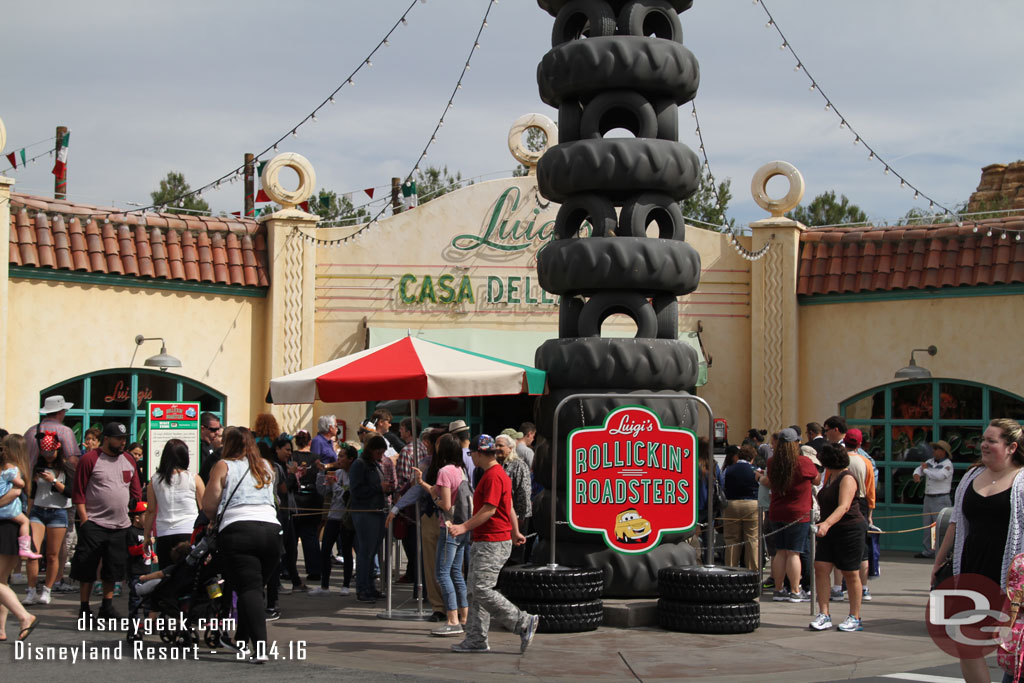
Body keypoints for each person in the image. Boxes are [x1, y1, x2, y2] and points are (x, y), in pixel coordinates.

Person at [931, 418, 1024, 683]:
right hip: (971, 571)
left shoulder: (1022, 481)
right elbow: (957, 523)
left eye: (991, 441)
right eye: (983, 439)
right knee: (967, 645)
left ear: (1011, 447)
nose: (983, 444)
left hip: (1010, 579)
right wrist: (939, 562)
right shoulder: (971, 476)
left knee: (1012, 643)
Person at [447, 434, 537, 654]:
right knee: (474, 591)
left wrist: (463, 527)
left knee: (481, 589)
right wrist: (515, 531)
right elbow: (509, 507)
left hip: (492, 540)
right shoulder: (494, 474)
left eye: (472, 454)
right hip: (490, 539)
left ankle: (522, 621)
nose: (471, 458)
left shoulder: (494, 476)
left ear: (479, 453)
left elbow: (490, 509)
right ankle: (477, 639)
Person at [201, 427, 281, 662]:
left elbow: (208, 504)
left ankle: (260, 649)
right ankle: (243, 639)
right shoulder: (267, 466)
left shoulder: (223, 466)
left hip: (239, 530)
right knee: (255, 589)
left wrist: (214, 518)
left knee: (249, 589)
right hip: (271, 530)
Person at [70, 421, 141, 620]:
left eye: (124, 438)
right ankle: (84, 608)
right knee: (87, 568)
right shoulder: (90, 459)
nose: (122, 442)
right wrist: (84, 520)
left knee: (113, 569)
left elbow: (135, 489)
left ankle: (106, 607)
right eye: (119, 439)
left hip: (121, 525)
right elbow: (79, 492)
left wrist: (134, 512)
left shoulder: (128, 459)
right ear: (107, 439)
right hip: (94, 522)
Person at [412, 433, 472, 637]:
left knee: (442, 573)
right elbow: (442, 493)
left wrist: (436, 503)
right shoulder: (460, 470)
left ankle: (452, 619)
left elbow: (445, 504)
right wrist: (423, 483)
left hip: (448, 527)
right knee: (456, 572)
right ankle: (464, 616)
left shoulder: (444, 471)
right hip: (462, 527)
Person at [809, 443, 866, 632]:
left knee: (850, 572)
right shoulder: (830, 476)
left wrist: (826, 524)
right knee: (821, 567)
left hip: (849, 529)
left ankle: (855, 617)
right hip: (829, 528)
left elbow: (844, 507)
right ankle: (824, 614)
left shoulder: (847, 477)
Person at [758, 427, 820, 602]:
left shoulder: (772, 462)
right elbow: (817, 479)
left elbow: (769, 481)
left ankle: (779, 589)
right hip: (798, 512)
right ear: (795, 444)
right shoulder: (803, 462)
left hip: (777, 510)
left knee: (780, 552)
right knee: (794, 552)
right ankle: (794, 590)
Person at [25, 432, 74, 604]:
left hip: (58, 511)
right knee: (33, 553)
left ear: (57, 450)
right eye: (44, 453)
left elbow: (70, 493)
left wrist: (53, 481)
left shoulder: (66, 467)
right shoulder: (37, 467)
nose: (47, 456)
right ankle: (31, 590)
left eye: (50, 452)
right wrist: (27, 513)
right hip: (38, 510)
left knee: (52, 554)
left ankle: (47, 589)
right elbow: (30, 493)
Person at [144, 438, 204, 566]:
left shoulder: (155, 479)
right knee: (188, 572)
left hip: (164, 532)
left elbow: (150, 511)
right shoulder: (193, 478)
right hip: (189, 531)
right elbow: (205, 507)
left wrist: (146, 537)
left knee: (166, 573)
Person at [0, 454, 40, 643]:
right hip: (8, 527)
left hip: (7, 528)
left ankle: (24, 616)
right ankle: (1, 628)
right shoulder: (10, 470)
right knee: (2, 582)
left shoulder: (9, 470)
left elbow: (16, 492)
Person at [349, 435, 392, 603]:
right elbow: (356, 491)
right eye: (379, 452)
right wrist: (377, 488)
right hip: (364, 513)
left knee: (372, 552)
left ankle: (370, 586)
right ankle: (362, 588)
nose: (381, 456)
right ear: (372, 450)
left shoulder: (374, 465)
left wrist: (385, 489)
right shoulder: (359, 465)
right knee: (365, 553)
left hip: (376, 512)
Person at [311, 444, 357, 596]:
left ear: (351, 459)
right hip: (333, 517)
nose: (339, 459)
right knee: (325, 550)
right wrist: (321, 473)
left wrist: (335, 485)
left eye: (342, 456)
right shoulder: (337, 472)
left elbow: (346, 497)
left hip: (346, 519)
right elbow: (323, 490)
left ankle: (345, 585)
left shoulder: (354, 475)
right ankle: (324, 586)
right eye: (339, 456)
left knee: (347, 551)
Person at [0, 434, 42, 560]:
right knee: (4, 571)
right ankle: (25, 548)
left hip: (9, 518)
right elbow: (16, 492)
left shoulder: (6, 468)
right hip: (9, 517)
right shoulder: (12, 469)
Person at [289, 429, 324, 583]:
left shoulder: (292, 457)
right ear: (310, 442)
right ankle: (315, 570)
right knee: (310, 537)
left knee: (292, 537)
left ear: (296, 441)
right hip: (312, 500)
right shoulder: (316, 458)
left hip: (296, 499)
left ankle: (288, 568)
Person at [913, 438, 954, 558]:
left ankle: (942, 552)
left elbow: (939, 476)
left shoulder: (947, 465)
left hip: (940, 498)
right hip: (928, 498)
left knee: (940, 526)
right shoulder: (930, 461)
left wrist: (925, 470)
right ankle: (928, 550)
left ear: (943, 452)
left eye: (937, 449)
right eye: (934, 448)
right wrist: (916, 474)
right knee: (927, 526)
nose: (934, 451)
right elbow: (919, 469)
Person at [495, 433, 532, 566]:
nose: (497, 448)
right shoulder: (495, 465)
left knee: (515, 554)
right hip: (500, 516)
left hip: (517, 516)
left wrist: (520, 517)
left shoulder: (519, 465)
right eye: (496, 445)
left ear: (510, 448)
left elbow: (524, 492)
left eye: (501, 445)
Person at [723, 444, 760, 570]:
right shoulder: (756, 470)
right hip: (752, 504)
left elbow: (722, 486)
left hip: (732, 504)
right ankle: (753, 572)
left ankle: (730, 570)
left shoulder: (728, 469)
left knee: (732, 540)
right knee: (752, 540)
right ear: (752, 458)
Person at [24, 395, 81, 471]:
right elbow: (73, 461)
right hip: (56, 479)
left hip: (31, 478)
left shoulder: (30, 431)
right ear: (60, 412)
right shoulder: (65, 431)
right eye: (65, 411)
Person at [125, 501, 155, 639]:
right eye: (146, 516)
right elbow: (132, 550)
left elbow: (149, 549)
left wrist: (154, 555)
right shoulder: (131, 532)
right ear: (137, 518)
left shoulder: (147, 531)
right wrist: (145, 544)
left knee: (149, 597)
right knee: (136, 599)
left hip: (147, 570)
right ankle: (134, 623)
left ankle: (148, 622)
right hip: (136, 571)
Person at [198, 412, 224, 484]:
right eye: (213, 429)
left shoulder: (211, 445)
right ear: (202, 429)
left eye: (218, 429)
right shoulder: (198, 448)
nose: (217, 433)